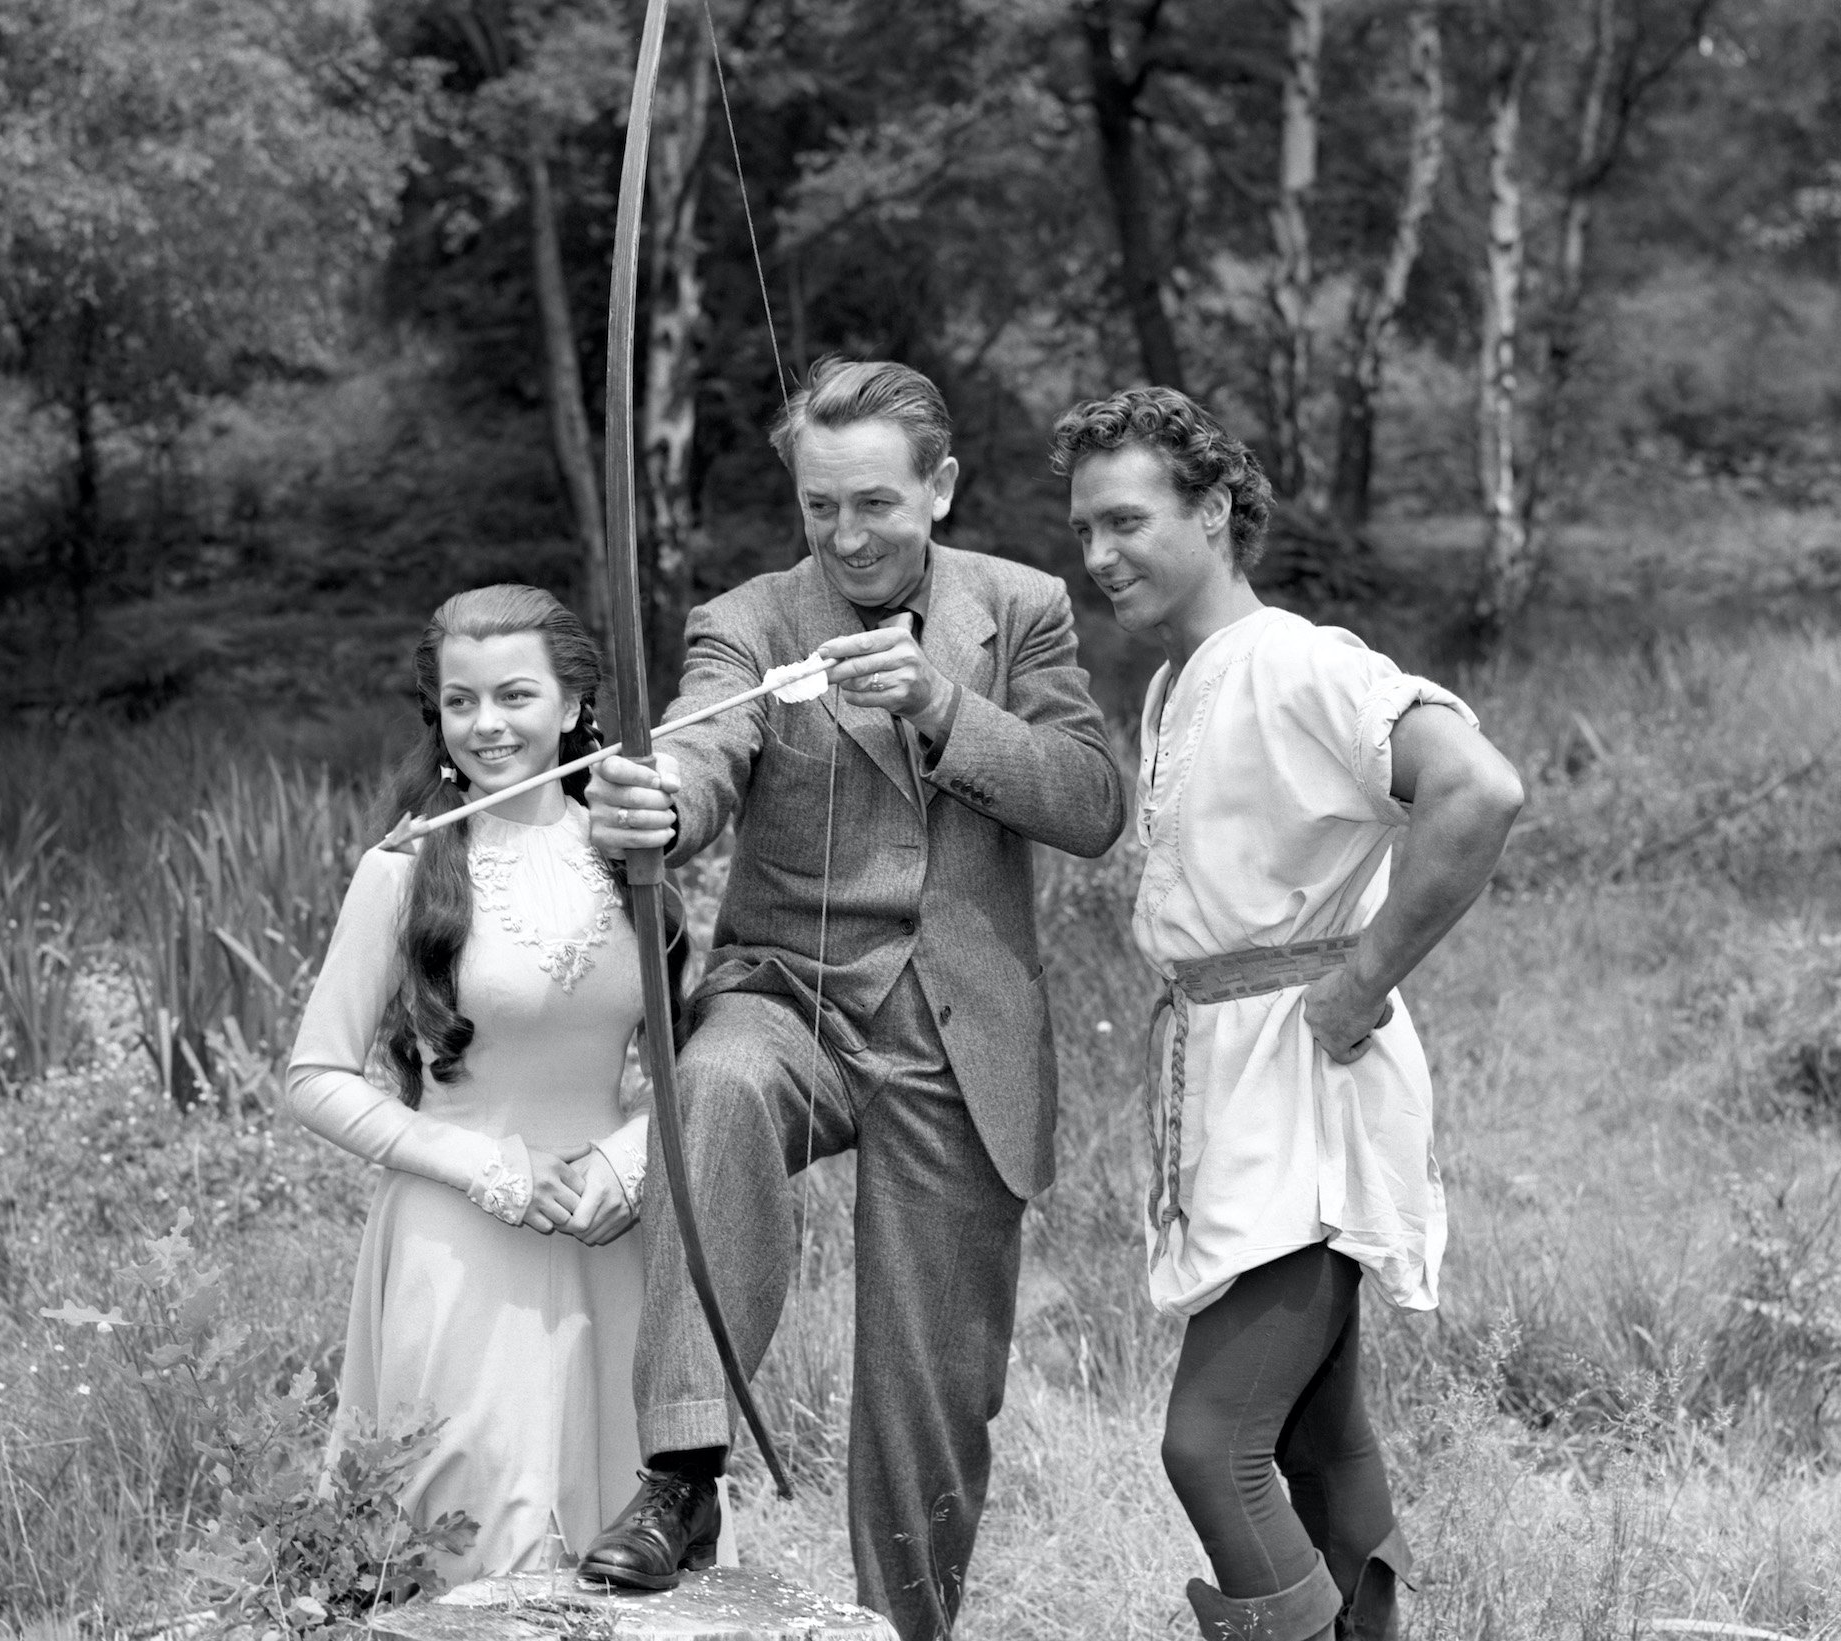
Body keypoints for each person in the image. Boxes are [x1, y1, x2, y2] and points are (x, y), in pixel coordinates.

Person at [576, 357, 1127, 1640]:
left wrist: (941, 708)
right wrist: (660, 805)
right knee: (710, 1082)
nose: (845, 534)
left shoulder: (1022, 608)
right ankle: (681, 1474)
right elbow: (705, 741)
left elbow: (1088, 804)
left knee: (925, 1391)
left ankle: (905, 1623)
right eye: (819, 507)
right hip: (791, 998)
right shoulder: (750, 619)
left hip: (954, 1031)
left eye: (874, 503)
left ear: (939, 487)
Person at [1051, 388, 1523, 1641]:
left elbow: (1475, 790)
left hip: (1302, 1084)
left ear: (1212, 512)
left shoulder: (1292, 661)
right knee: (1318, 1436)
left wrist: (1360, 982)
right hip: (1235, 1078)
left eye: (1127, 520)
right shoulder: (1177, 683)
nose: (1099, 556)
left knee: (1210, 1447)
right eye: (1084, 530)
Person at [287, 584, 711, 1581]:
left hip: (613, 1233)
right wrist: (484, 1167)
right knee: (477, 1545)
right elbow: (314, 1075)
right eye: (459, 700)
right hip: (459, 1241)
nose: (485, 724)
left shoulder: (636, 854)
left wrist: (629, 1154)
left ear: (571, 706)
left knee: (613, 1549)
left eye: (514, 696)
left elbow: (699, 1069)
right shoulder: (400, 871)